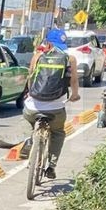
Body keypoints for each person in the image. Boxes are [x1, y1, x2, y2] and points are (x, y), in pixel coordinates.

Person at [23, 28, 81, 180]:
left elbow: (30, 78)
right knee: (58, 133)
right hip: (55, 109)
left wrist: (30, 93)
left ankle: (30, 141)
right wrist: (75, 95)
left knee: (29, 119)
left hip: (32, 107)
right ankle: (51, 166)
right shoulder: (70, 59)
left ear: (47, 43)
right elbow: (74, 81)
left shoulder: (37, 57)